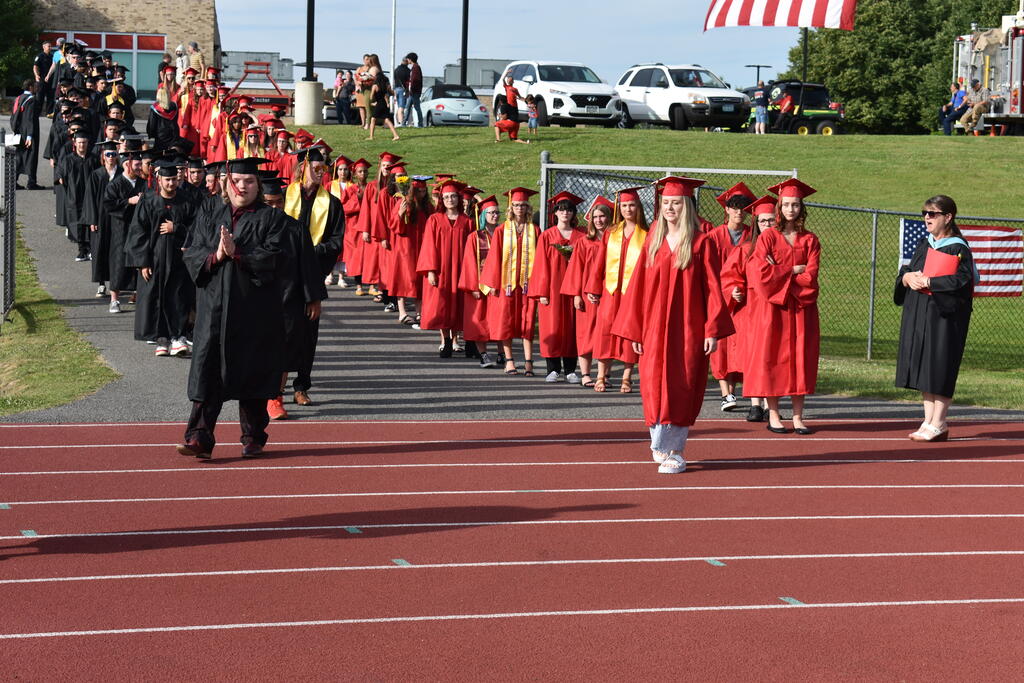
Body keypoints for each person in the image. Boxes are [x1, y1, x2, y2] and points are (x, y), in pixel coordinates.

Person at [612, 176, 734, 474]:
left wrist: (712, 329)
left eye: (676, 203)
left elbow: (712, 289)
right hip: (653, 327)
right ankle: (660, 441)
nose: (669, 208)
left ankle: (676, 451)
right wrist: (635, 329)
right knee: (652, 382)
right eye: (665, 202)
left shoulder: (701, 243)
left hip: (687, 328)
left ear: (687, 206)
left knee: (682, 384)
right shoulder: (653, 240)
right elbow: (637, 288)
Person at [177, 157, 291, 459]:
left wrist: (237, 253)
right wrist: (216, 256)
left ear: (258, 185)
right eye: (237, 181)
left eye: (249, 181)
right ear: (227, 183)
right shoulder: (209, 211)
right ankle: (199, 437)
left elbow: (277, 258)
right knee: (207, 371)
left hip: (254, 311)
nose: (242, 186)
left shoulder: (272, 218)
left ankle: (253, 437)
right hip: (213, 308)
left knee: (252, 373)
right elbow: (193, 250)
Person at [895, 195, 976, 443]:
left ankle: (939, 421)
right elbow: (908, 269)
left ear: (948, 217)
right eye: (924, 213)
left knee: (940, 365)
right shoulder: (925, 243)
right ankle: (928, 420)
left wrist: (931, 281)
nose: (926, 218)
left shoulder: (958, 248)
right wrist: (907, 278)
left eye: (932, 213)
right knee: (924, 365)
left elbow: (962, 281)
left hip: (944, 318)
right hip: (920, 313)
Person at [744, 178, 821, 435]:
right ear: (779, 206)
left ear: (801, 208)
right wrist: (792, 270)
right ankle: (774, 415)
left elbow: (810, 277)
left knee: (800, 361)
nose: (791, 209)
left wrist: (779, 271)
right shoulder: (768, 237)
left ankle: (798, 417)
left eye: (795, 205)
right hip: (773, 310)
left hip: (801, 309)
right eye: (786, 204)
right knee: (772, 359)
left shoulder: (810, 240)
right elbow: (760, 275)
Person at [281, 145, 344, 406]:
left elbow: (336, 242)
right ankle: (276, 386)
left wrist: (312, 253)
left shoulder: (332, 204)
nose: (320, 172)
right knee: (282, 331)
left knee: (308, 334)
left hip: (312, 275)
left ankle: (301, 386)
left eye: (323, 169)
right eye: (316, 168)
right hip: (284, 277)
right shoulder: (284, 196)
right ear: (303, 167)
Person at [125, 159, 199, 357]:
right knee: (157, 299)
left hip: (180, 260)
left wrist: (177, 228)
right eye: (167, 180)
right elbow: (138, 232)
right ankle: (162, 339)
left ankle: (178, 337)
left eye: (174, 179)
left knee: (179, 297)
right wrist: (142, 262)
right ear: (159, 179)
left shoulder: (187, 201)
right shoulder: (149, 201)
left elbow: (198, 228)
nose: (171, 183)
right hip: (155, 259)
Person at [586, 188, 648, 393]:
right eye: (624, 206)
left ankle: (626, 377)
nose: (628, 209)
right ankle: (601, 375)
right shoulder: (611, 233)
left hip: (633, 294)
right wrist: (593, 287)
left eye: (632, 205)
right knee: (604, 332)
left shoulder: (646, 235)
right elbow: (599, 262)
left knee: (630, 332)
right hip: (610, 292)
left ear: (638, 207)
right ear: (619, 208)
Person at [720, 194, 775, 422]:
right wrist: (733, 290)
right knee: (754, 357)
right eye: (762, 221)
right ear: (756, 223)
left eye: (771, 220)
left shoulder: (784, 248)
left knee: (771, 357)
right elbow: (730, 276)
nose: (767, 224)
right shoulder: (745, 249)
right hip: (750, 311)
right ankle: (755, 404)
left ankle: (771, 405)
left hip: (774, 309)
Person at [706, 182, 756, 411]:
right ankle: (726, 393)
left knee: (739, 346)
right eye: (734, 207)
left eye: (743, 208)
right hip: (718, 297)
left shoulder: (752, 236)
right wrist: (726, 290)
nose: (738, 212)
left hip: (743, 301)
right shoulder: (714, 236)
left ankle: (734, 391)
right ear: (726, 209)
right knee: (722, 347)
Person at [482, 188, 540, 375]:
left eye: (523, 205)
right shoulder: (502, 230)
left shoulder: (534, 230)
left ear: (528, 207)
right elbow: (494, 257)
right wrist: (492, 283)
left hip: (527, 286)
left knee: (527, 322)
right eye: (516, 205)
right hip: (506, 285)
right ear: (510, 207)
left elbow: (540, 260)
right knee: (505, 322)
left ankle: (529, 362)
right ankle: (509, 361)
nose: (519, 208)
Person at [530, 192, 584, 383]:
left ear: (573, 213)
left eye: (569, 210)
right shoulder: (547, 236)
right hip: (552, 288)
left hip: (574, 289)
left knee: (572, 327)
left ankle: (570, 370)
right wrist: (542, 292)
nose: (565, 213)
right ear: (555, 213)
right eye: (561, 210)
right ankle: (552, 369)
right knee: (551, 326)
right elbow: (540, 265)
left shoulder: (581, 236)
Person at [416, 179, 474, 356]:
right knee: (442, 305)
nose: (450, 200)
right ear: (442, 199)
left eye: (453, 196)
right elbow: (428, 246)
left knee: (457, 305)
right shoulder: (434, 220)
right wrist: (430, 271)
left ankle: (455, 339)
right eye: (446, 197)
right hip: (441, 270)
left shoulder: (467, 222)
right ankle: (445, 341)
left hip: (460, 270)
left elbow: (472, 249)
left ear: (459, 198)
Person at [560, 196, 612, 388]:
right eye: (595, 217)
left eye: (602, 216)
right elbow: (576, 269)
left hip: (608, 293)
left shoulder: (614, 242)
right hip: (586, 294)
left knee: (606, 333)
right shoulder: (584, 242)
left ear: (608, 218)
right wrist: (576, 294)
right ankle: (586, 374)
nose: (598, 220)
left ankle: (604, 375)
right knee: (586, 332)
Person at [458, 194, 501, 368]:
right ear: (483, 215)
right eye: (491, 213)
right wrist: (473, 286)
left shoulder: (504, 234)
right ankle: (483, 354)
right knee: (479, 320)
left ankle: (502, 353)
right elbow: (468, 262)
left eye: (497, 213)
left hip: (498, 285)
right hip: (480, 285)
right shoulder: (475, 237)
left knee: (499, 320)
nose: (495, 216)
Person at [102, 151, 148, 313]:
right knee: (118, 262)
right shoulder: (115, 184)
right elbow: (108, 204)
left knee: (139, 261)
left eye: (140, 164)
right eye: (137, 165)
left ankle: (138, 295)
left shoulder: (144, 184)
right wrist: (129, 201)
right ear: (127, 165)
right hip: (120, 229)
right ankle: (114, 300)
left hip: (139, 229)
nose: (140, 168)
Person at [82, 141, 121, 297]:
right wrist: (92, 220)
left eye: (113, 154)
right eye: (108, 154)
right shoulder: (96, 175)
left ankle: (116, 283)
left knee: (116, 251)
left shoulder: (122, 174)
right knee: (100, 250)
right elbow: (90, 198)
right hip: (100, 219)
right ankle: (101, 284)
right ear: (103, 156)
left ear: (117, 156)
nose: (110, 157)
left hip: (117, 219)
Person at [55, 130, 99, 262]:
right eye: (79, 142)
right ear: (74, 143)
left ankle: (91, 249)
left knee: (90, 221)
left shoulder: (94, 159)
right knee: (77, 223)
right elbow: (60, 174)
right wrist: (62, 179)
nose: (82, 145)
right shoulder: (68, 159)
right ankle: (82, 250)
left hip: (90, 196)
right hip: (75, 197)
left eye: (84, 142)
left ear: (88, 143)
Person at [10, 80, 43, 190]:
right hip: (29, 132)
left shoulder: (18, 98)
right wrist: (30, 135)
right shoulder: (31, 100)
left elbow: (13, 116)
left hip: (19, 131)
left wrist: (15, 130)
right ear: (30, 87)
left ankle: (13, 181)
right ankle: (31, 182)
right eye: (35, 86)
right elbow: (30, 118)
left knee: (19, 156)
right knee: (31, 157)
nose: (36, 88)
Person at [367, 70, 400, 142]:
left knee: (373, 119)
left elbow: (371, 97)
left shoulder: (375, 86)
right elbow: (389, 94)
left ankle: (371, 136)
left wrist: (373, 102)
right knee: (387, 120)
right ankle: (396, 135)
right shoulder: (386, 86)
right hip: (384, 104)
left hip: (379, 104)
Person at [147, 87, 180, 151]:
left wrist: (150, 133)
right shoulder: (174, 106)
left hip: (161, 136)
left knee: (160, 153)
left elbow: (152, 124)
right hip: (173, 134)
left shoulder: (155, 108)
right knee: (172, 153)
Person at [33, 41, 56, 116]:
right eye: (48, 46)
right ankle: (37, 112)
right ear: (44, 47)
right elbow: (35, 67)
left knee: (50, 97)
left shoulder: (52, 56)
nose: (50, 48)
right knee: (40, 97)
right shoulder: (40, 56)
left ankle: (49, 112)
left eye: (50, 46)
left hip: (50, 80)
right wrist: (36, 75)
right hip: (42, 80)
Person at [404, 53, 423, 127]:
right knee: (408, 107)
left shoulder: (416, 68)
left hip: (414, 92)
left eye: (408, 59)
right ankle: (404, 123)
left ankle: (420, 124)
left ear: (410, 59)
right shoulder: (415, 67)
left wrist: (412, 89)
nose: (407, 60)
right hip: (412, 92)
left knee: (417, 108)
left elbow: (415, 80)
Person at [393, 57, 411, 126]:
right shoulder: (408, 71)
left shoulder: (396, 69)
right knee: (401, 107)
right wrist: (407, 90)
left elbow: (394, 80)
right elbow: (408, 82)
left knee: (399, 106)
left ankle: (399, 122)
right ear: (406, 62)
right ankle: (401, 123)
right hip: (402, 90)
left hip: (396, 89)